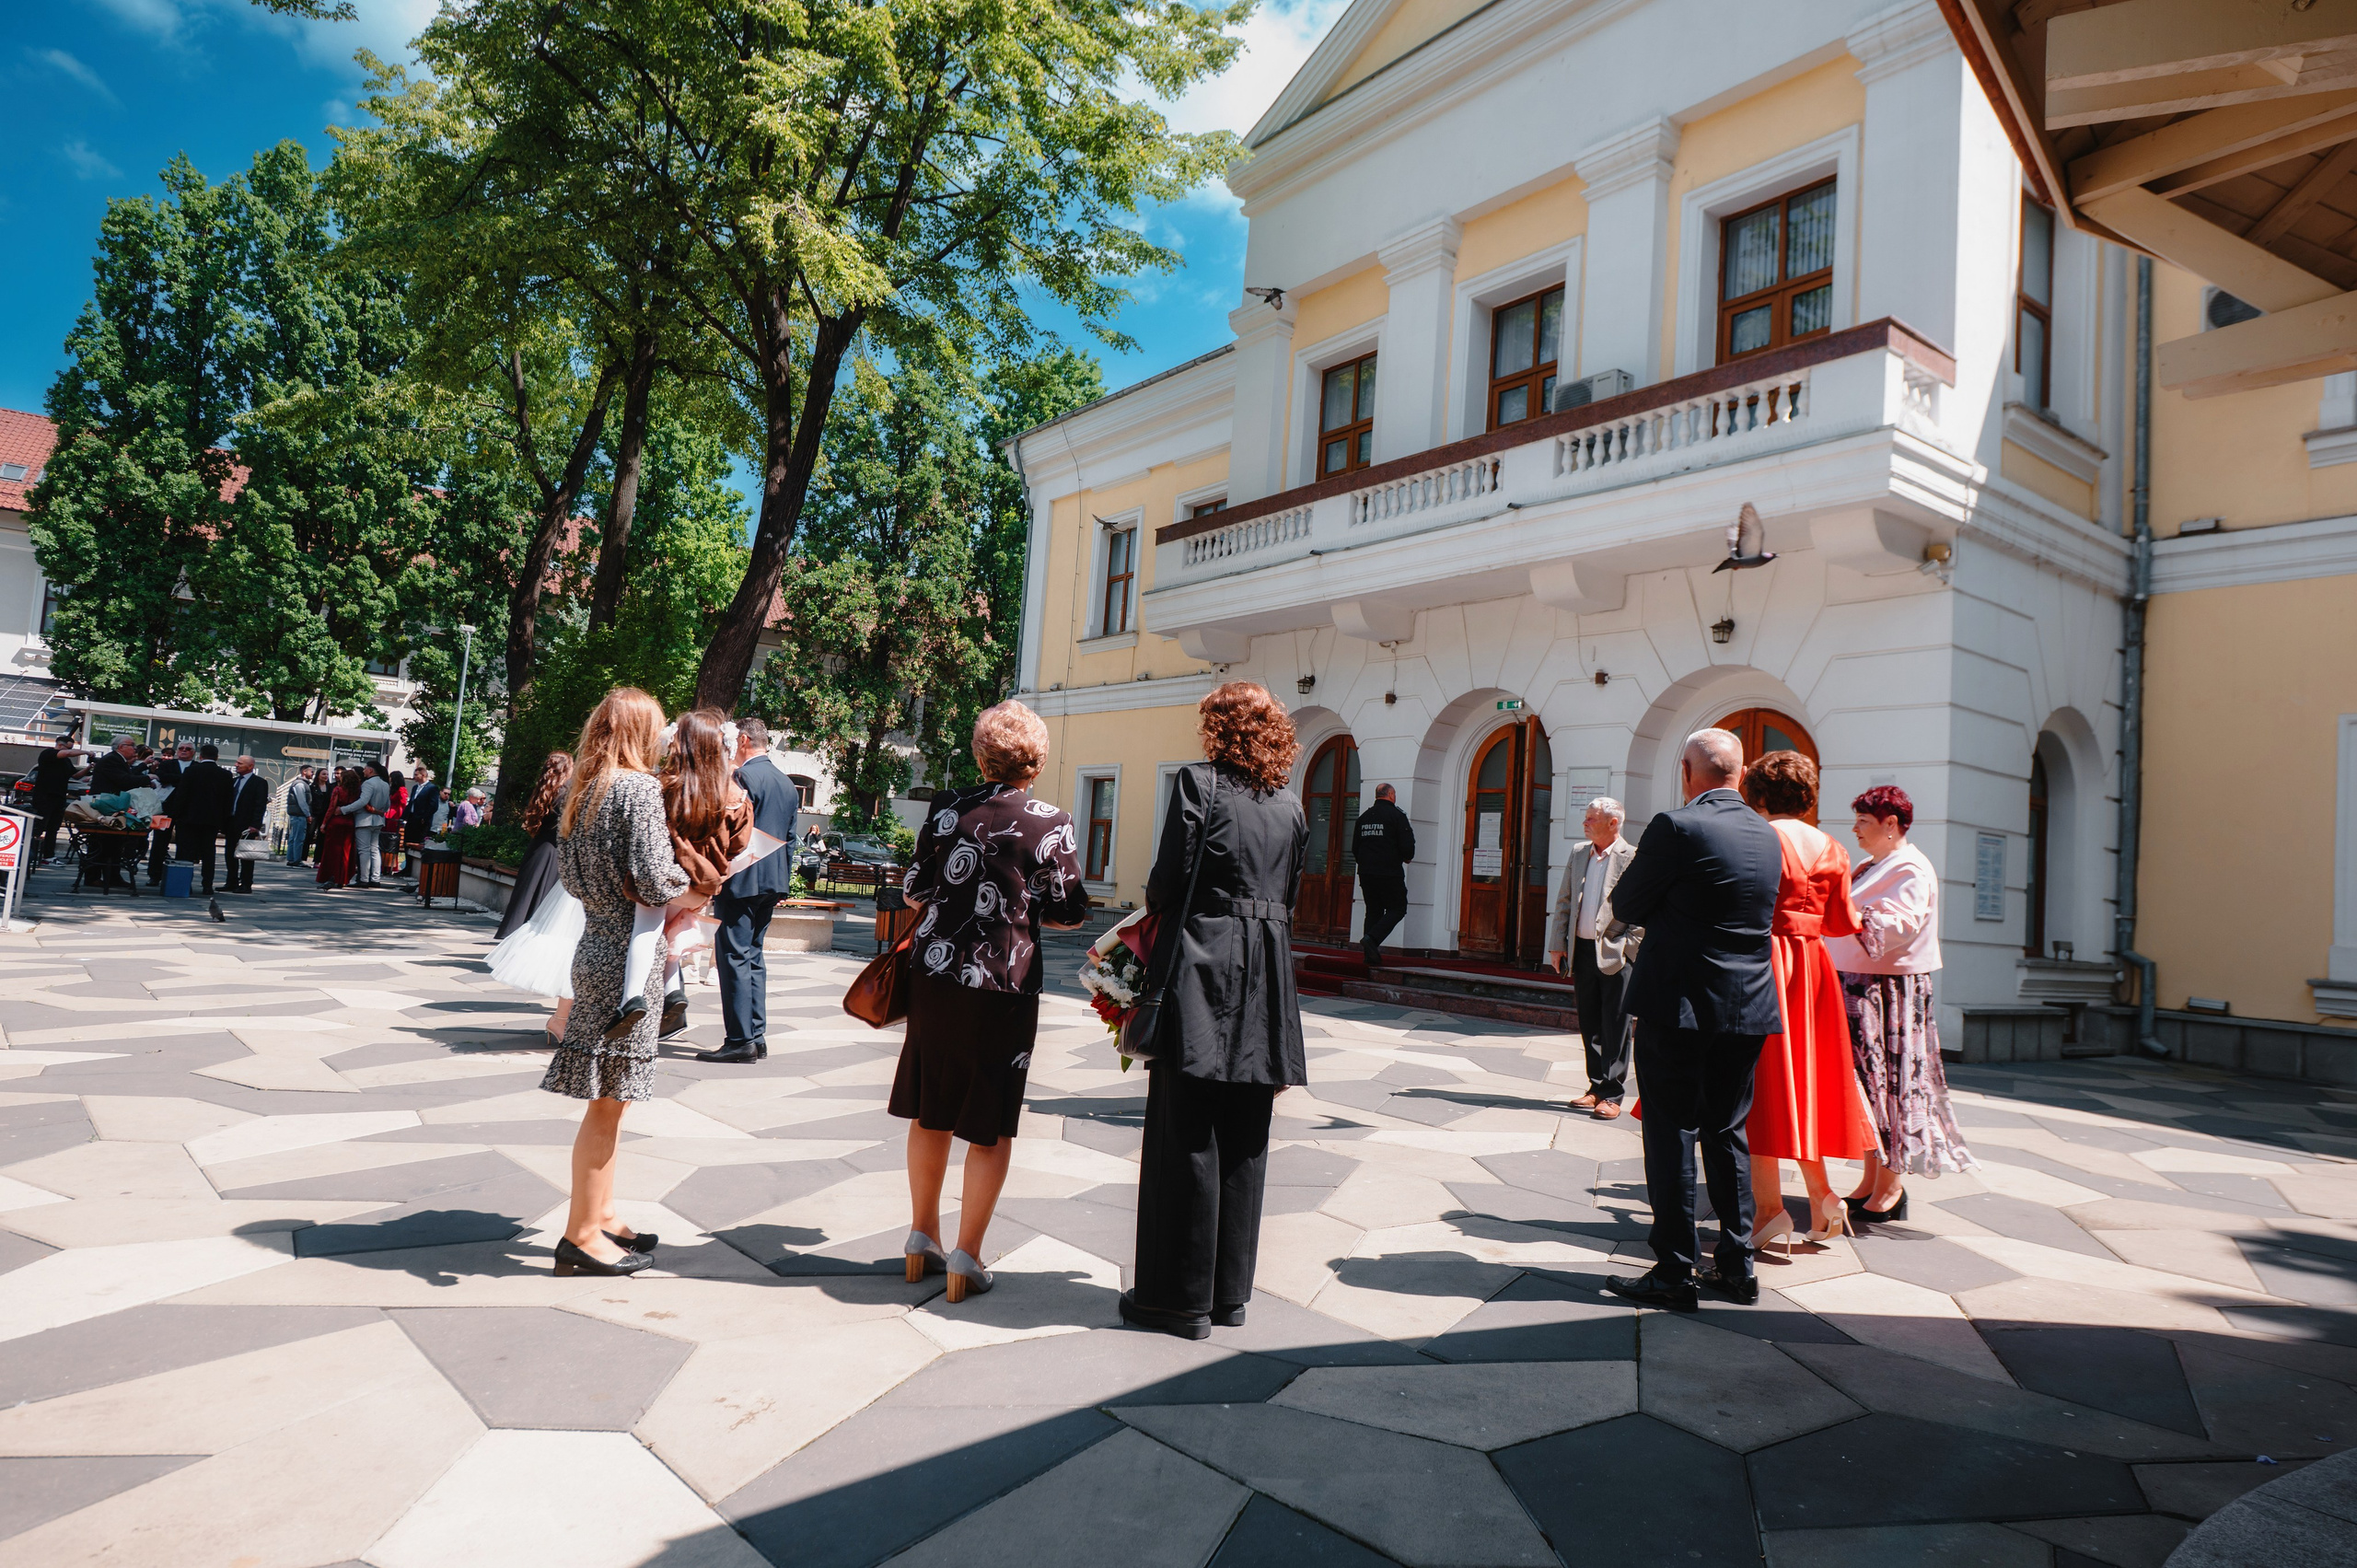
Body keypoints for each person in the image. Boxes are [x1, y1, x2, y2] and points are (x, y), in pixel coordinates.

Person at [1123, 682, 1309, 1341]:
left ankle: (1177, 1300)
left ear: (1218, 729)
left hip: (1203, 963)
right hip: (1267, 973)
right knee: (1245, 1135)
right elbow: (1290, 889)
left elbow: (1165, 882)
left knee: (1187, 1132)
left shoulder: (1198, 785)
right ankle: (1229, 1295)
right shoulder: (1290, 802)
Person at [890, 701, 1089, 1302]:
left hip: (934, 974)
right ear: (1039, 759)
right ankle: (966, 1255)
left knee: (932, 1106)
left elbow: (915, 886)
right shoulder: (1050, 820)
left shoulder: (947, 807)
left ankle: (922, 1234)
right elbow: (1071, 909)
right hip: (1003, 982)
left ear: (981, 755)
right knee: (989, 1120)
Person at [1601, 728, 1782, 1312]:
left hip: (1678, 1003)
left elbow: (1626, 904)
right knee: (1729, 1132)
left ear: (1688, 772)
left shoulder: (1677, 826)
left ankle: (1676, 1270)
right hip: (1748, 1004)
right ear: (1740, 773)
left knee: (1671, 1130)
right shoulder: (1767, 834)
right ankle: (1737, 1265)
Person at [543, 687, 689, 1277]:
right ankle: (581, 1233)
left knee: (612, 1098)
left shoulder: (582, 788)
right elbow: (656, 879)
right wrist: (700, 881)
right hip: (632, 953)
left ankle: (599, 1214)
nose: (661, 739)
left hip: (595, 946)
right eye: (655, 728)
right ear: (637, 733)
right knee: (609, 1103)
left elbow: (572, 880)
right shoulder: (638, 789)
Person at [1737, 750, 1873, 1255]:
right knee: (1801, 1088)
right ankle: (1822, 1198)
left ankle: (1770, 1213)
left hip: (1764, 962)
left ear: (1759, 793)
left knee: (1760, 1089)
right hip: (1813, 972)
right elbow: (1842, 922)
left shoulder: (1760, 837)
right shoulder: (1833, 847)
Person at [1829, 784, 1975, 1224]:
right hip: (1861, 988)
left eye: (1864, 822)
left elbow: (1903, 924)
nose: (1855, 829)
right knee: (1867, 1086)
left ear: (1891, 824)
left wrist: (1847, 914)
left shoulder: (1911, 866)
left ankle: (1891, 1185)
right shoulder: (1872, 865)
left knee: (1891, 1084)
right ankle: (1872, 1176)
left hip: (1888, 994)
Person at [604, 708, 750, 1042]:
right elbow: (740, 844)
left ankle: (631, 998)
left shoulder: (665, 786)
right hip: (703, 884)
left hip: (666, 877)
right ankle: (673, 992)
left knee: (648, 926)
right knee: (672, 929)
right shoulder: (736, 796)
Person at [698, 717, 799, 1065]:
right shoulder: (787, 783)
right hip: (773, 880)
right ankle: (756, 1035)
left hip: (741, 879)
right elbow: (790, 837)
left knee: (734, 956)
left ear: (742, 740)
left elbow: (731, 830)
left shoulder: (742, 777)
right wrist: (782, 882)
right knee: (754, 955)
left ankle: (740, 1040)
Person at [1546, 797, 1643, 1121]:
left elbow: (1644, 909)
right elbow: (1564, 901)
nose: (1585, 823)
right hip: (1582, 951)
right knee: (1589, 1022)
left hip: (1615, 955)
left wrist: (1629, 947)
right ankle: (1596, 1086)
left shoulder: (1632, 857)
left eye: (1591, 818)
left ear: (1613, 823)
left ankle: (1613, 1094)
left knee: (1616, 1022)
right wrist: (1557, 944)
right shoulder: (1578, 854)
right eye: (1585, 818)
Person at [488, 751, 582, 1045]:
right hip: (556, 857)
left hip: (540, 853)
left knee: (540, 918)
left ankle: (565, 1014)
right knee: (557, 928)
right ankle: (563, 1015)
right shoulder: (566, 792)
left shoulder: (548, 790)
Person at [1350, 783, 1414, 970]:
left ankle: (1369, 955)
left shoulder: (1363, 818)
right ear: (1391, 795)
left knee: (1373, 910)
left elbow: (1355, 847)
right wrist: (1407, 857)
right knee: (1398, 908)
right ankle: (1372, 939)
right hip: (1389, 871)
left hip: (1366, 872)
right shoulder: (1397, 816)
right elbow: (1407, 845)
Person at [160, 744, 233, 897]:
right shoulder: (225, 775)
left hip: (188, 819)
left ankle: (185, 884)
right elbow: (228, 801)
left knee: (185, 852)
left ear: (200, 756)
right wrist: (223, 822)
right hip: (211, 820)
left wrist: (176, 815)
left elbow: (182, 795)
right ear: (217, 757)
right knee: (208, 852)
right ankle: (207, 885)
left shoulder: (191, 771)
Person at [28, 721, 93, 867]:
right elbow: (67, 753)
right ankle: (29, 854)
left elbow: (76, 776)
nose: (71, 751)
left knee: (53, 828)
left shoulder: (66, 762)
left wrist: (90, 767)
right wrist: (86, 752)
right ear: (60, 745)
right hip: (45, 797)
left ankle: (48, 856)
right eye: (69, 747)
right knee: (39, 827)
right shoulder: (48, 753)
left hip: (59, 797)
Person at [222, 755, 271, 894]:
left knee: (246, 855)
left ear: (250, 766)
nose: (236, 765)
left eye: (240, 763)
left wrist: (255, 824)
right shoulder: (234, 781)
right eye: (236, 762)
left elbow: (260, 805)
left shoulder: (259, 783)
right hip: (231, 822)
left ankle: (246, 883)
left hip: (247, 825)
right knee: (230, 853)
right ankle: (231, 882)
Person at [148, 741, 195, 885]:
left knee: (185, 844)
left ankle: (181, 878)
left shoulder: (197, 767)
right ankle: (154, 876)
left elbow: (197, 783)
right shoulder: (167, 764)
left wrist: (174, 779)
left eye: (188, 749)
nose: (184, 751)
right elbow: (161, 776)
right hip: (165, 809)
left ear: (193, 752)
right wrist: (184, 780)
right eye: (181, 748)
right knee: (159, 842)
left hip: (187, 810)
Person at [343, 762, 390, 888]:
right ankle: (375, 878)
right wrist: (379, 811)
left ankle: (364, 878)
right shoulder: (385, 784)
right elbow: (387, 805)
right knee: (375, 849)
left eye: (365, 769)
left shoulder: (368, 783)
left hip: (365, 819)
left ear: (370, 770)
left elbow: (363, 801)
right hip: (378, 820)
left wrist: (344, 809)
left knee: (364, 850)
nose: (363, 772)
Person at [315, 768, 358, 890]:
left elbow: (331, 808)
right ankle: (343, 878)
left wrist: (324, 823)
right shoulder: (357, 792)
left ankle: (330, 876)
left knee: (332, 851)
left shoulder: (338, 790)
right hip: (350, 822)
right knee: (346, 852)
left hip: (336, 822)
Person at [284, 766, 316, 867]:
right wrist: (308, 814)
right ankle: (297, 860)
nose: (313, 774)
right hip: (299, 814)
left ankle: (291, 859)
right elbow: (302, 801)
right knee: (299, 838)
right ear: (304, 772)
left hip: (296, 814)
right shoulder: (300, 784)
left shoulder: (301, 783)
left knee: (294, 837)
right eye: (311, 771)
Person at [381, 770, 409, 878]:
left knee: (391, 842)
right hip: (389, 815)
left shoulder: (401, 789)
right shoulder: (392, 788)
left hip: (394, 817)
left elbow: (403, 803)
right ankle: (384, 865)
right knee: (385, 841)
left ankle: (390, 866)